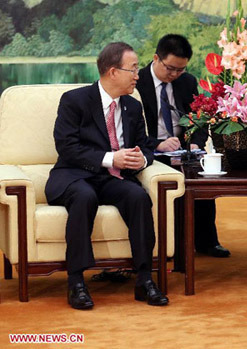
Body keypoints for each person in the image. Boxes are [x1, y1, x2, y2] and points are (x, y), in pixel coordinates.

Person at [45, 42, 168, 309]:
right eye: (133, 69)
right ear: (113, 72)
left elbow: (145, 145)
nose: (138, 75)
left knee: (138, 196)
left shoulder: (133, 107)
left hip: (113, 179)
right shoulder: (74, 100)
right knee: (84, 196)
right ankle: (76, 282)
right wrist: (112, 158)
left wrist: (141, 159)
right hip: (75, 176)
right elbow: (67, 147)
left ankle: (144, 280)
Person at [137, 34, 230, 258]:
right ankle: (168, 244)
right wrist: (158, 144)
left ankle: (207, 241)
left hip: (185, 148)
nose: (175, 74)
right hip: (152, 150)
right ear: (156, 58)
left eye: (180, 69)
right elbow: (132, 133)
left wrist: (197, 141)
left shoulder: (187, 82)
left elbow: (199, 119)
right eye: (170, 68)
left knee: (205, 179)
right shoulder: (138, 83)